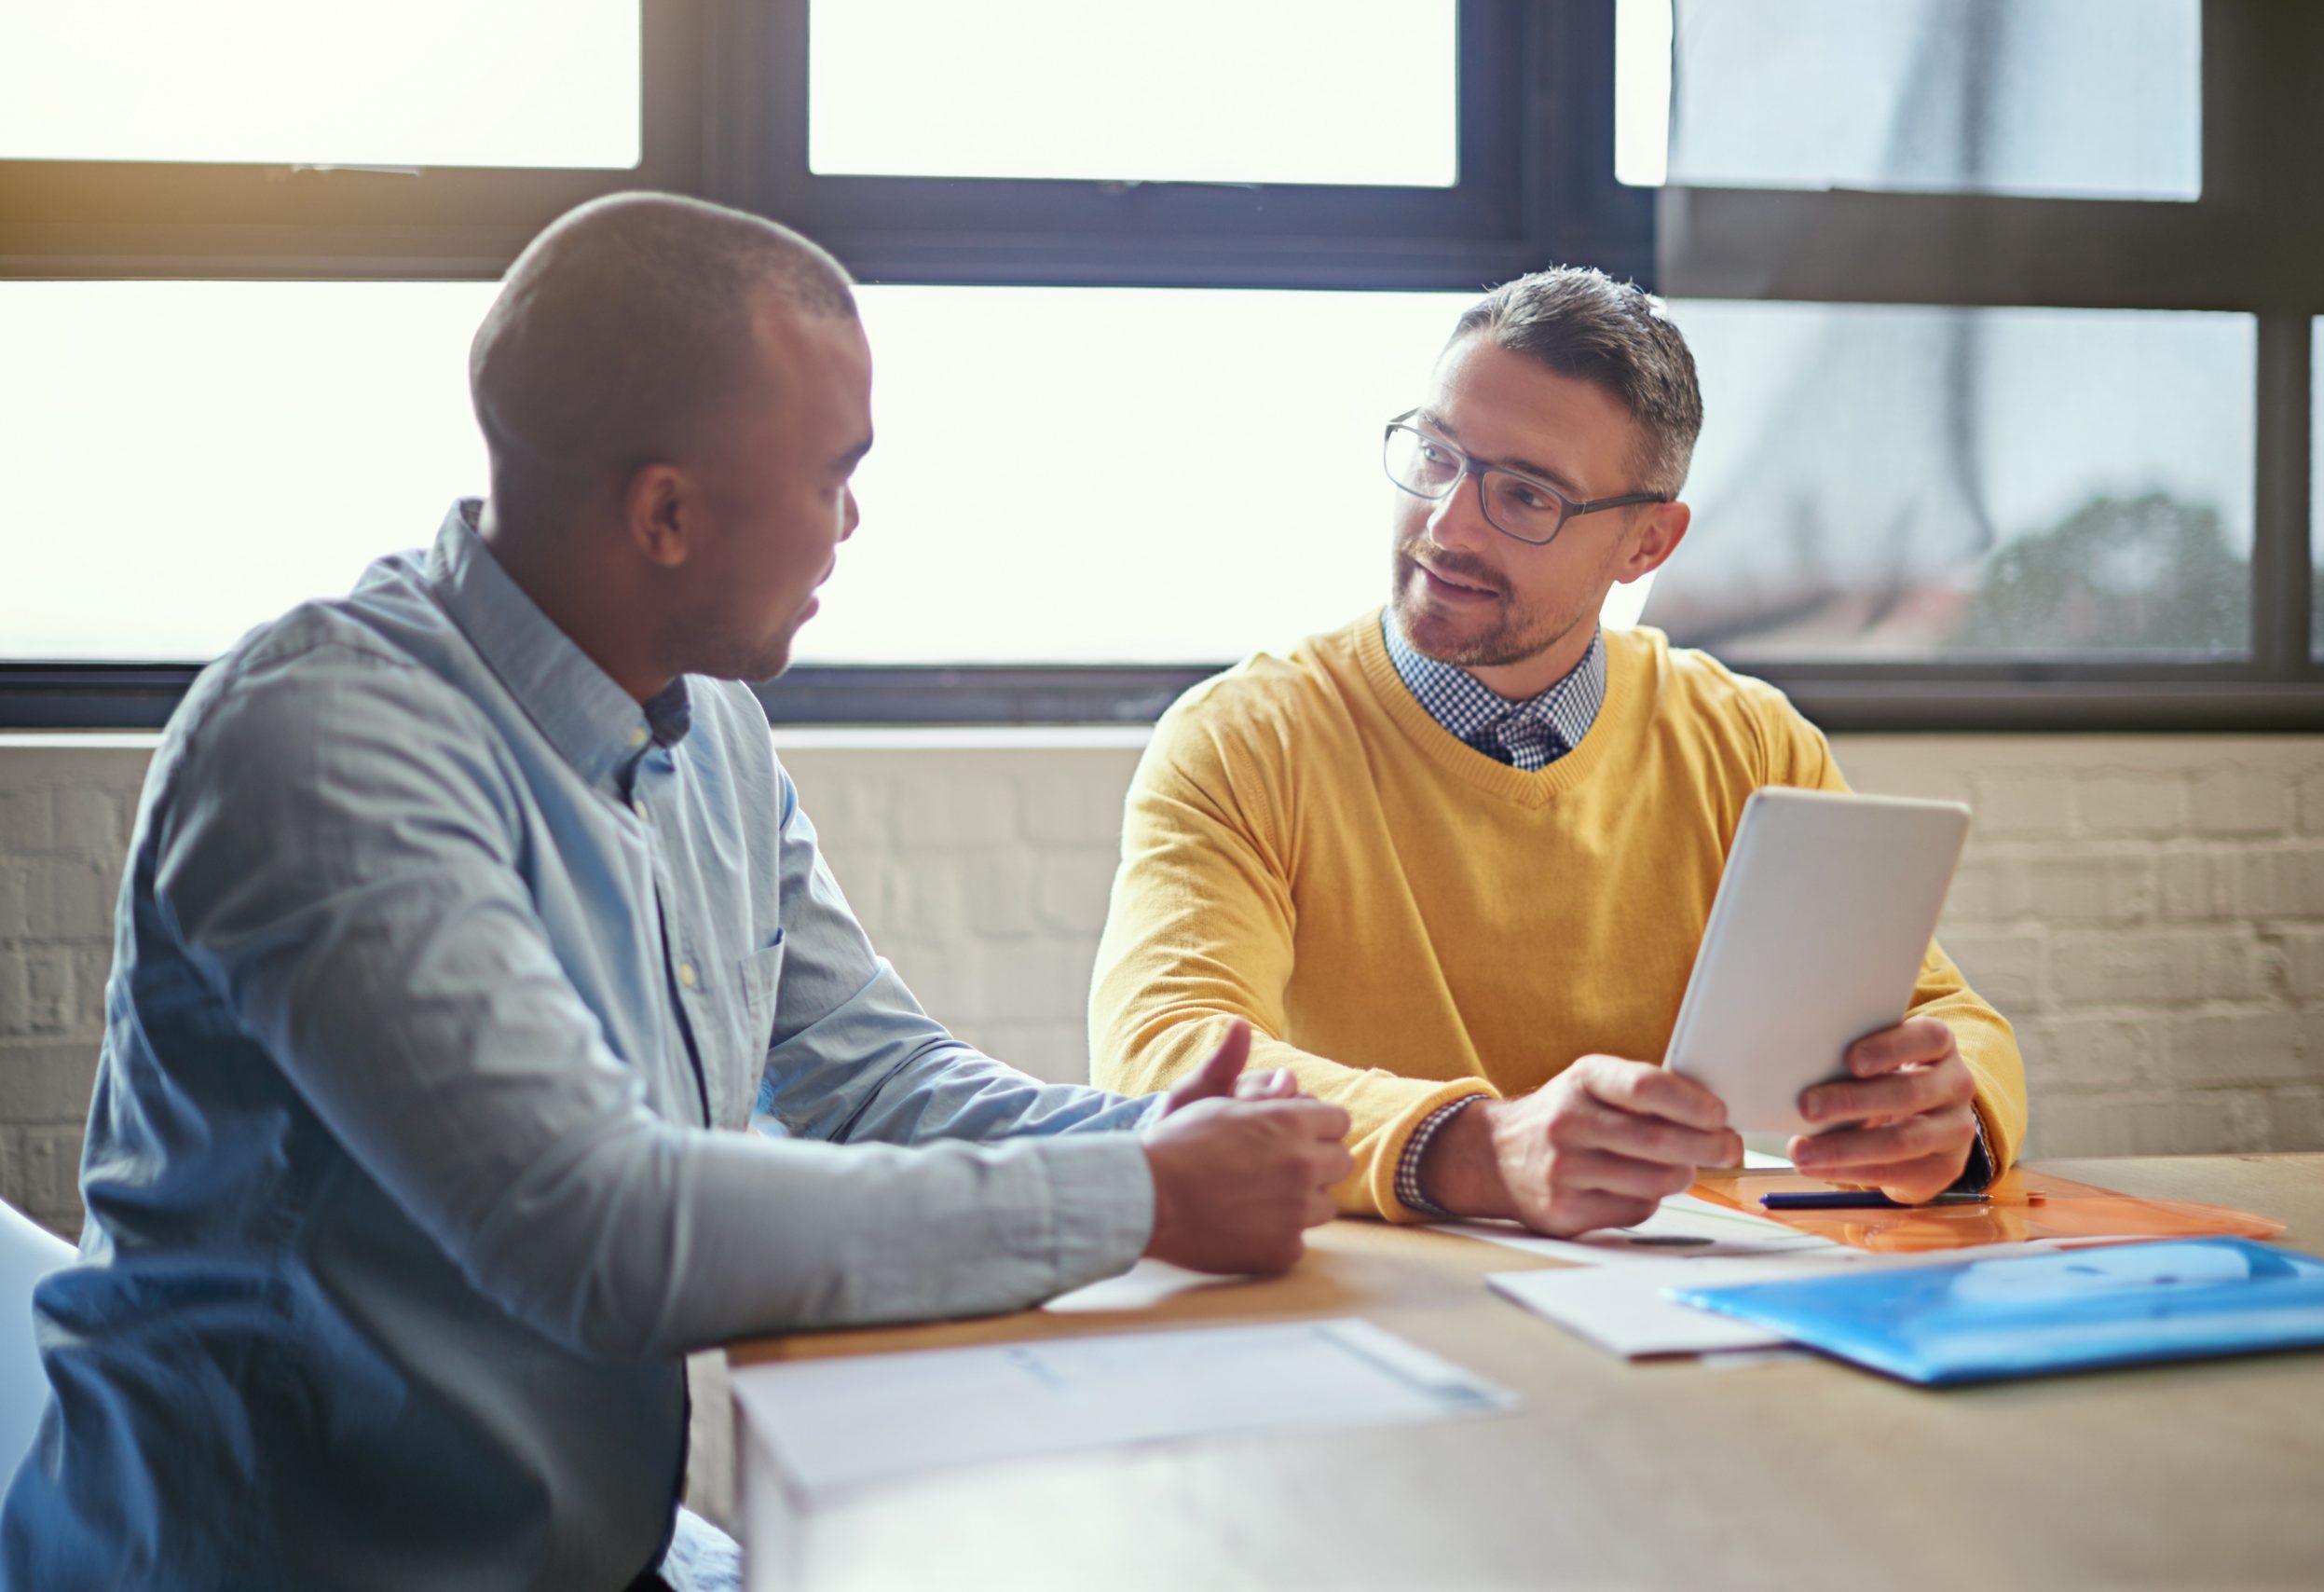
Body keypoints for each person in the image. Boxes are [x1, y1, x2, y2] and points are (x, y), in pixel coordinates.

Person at [0, 193, 1350, 1592]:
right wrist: (1139, 1194)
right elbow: (597, 1228)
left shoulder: (710, 727)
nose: (853, 520)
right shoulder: (322, 742)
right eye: (834, 473)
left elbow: (872, 1078)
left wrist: (1168, 1137)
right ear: (665, 513)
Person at [1089, 267, 2024, 1236]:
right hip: (1382, 1298)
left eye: (1526, 496)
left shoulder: (1747, 741)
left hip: (1692, 1303)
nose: (1445, 526)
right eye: (1439, 456)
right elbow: (1166, 1050)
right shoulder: (1245, 740)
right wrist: (1478, 1147)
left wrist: (1944, 1121)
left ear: (1646, 544)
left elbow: (1942, 1014)